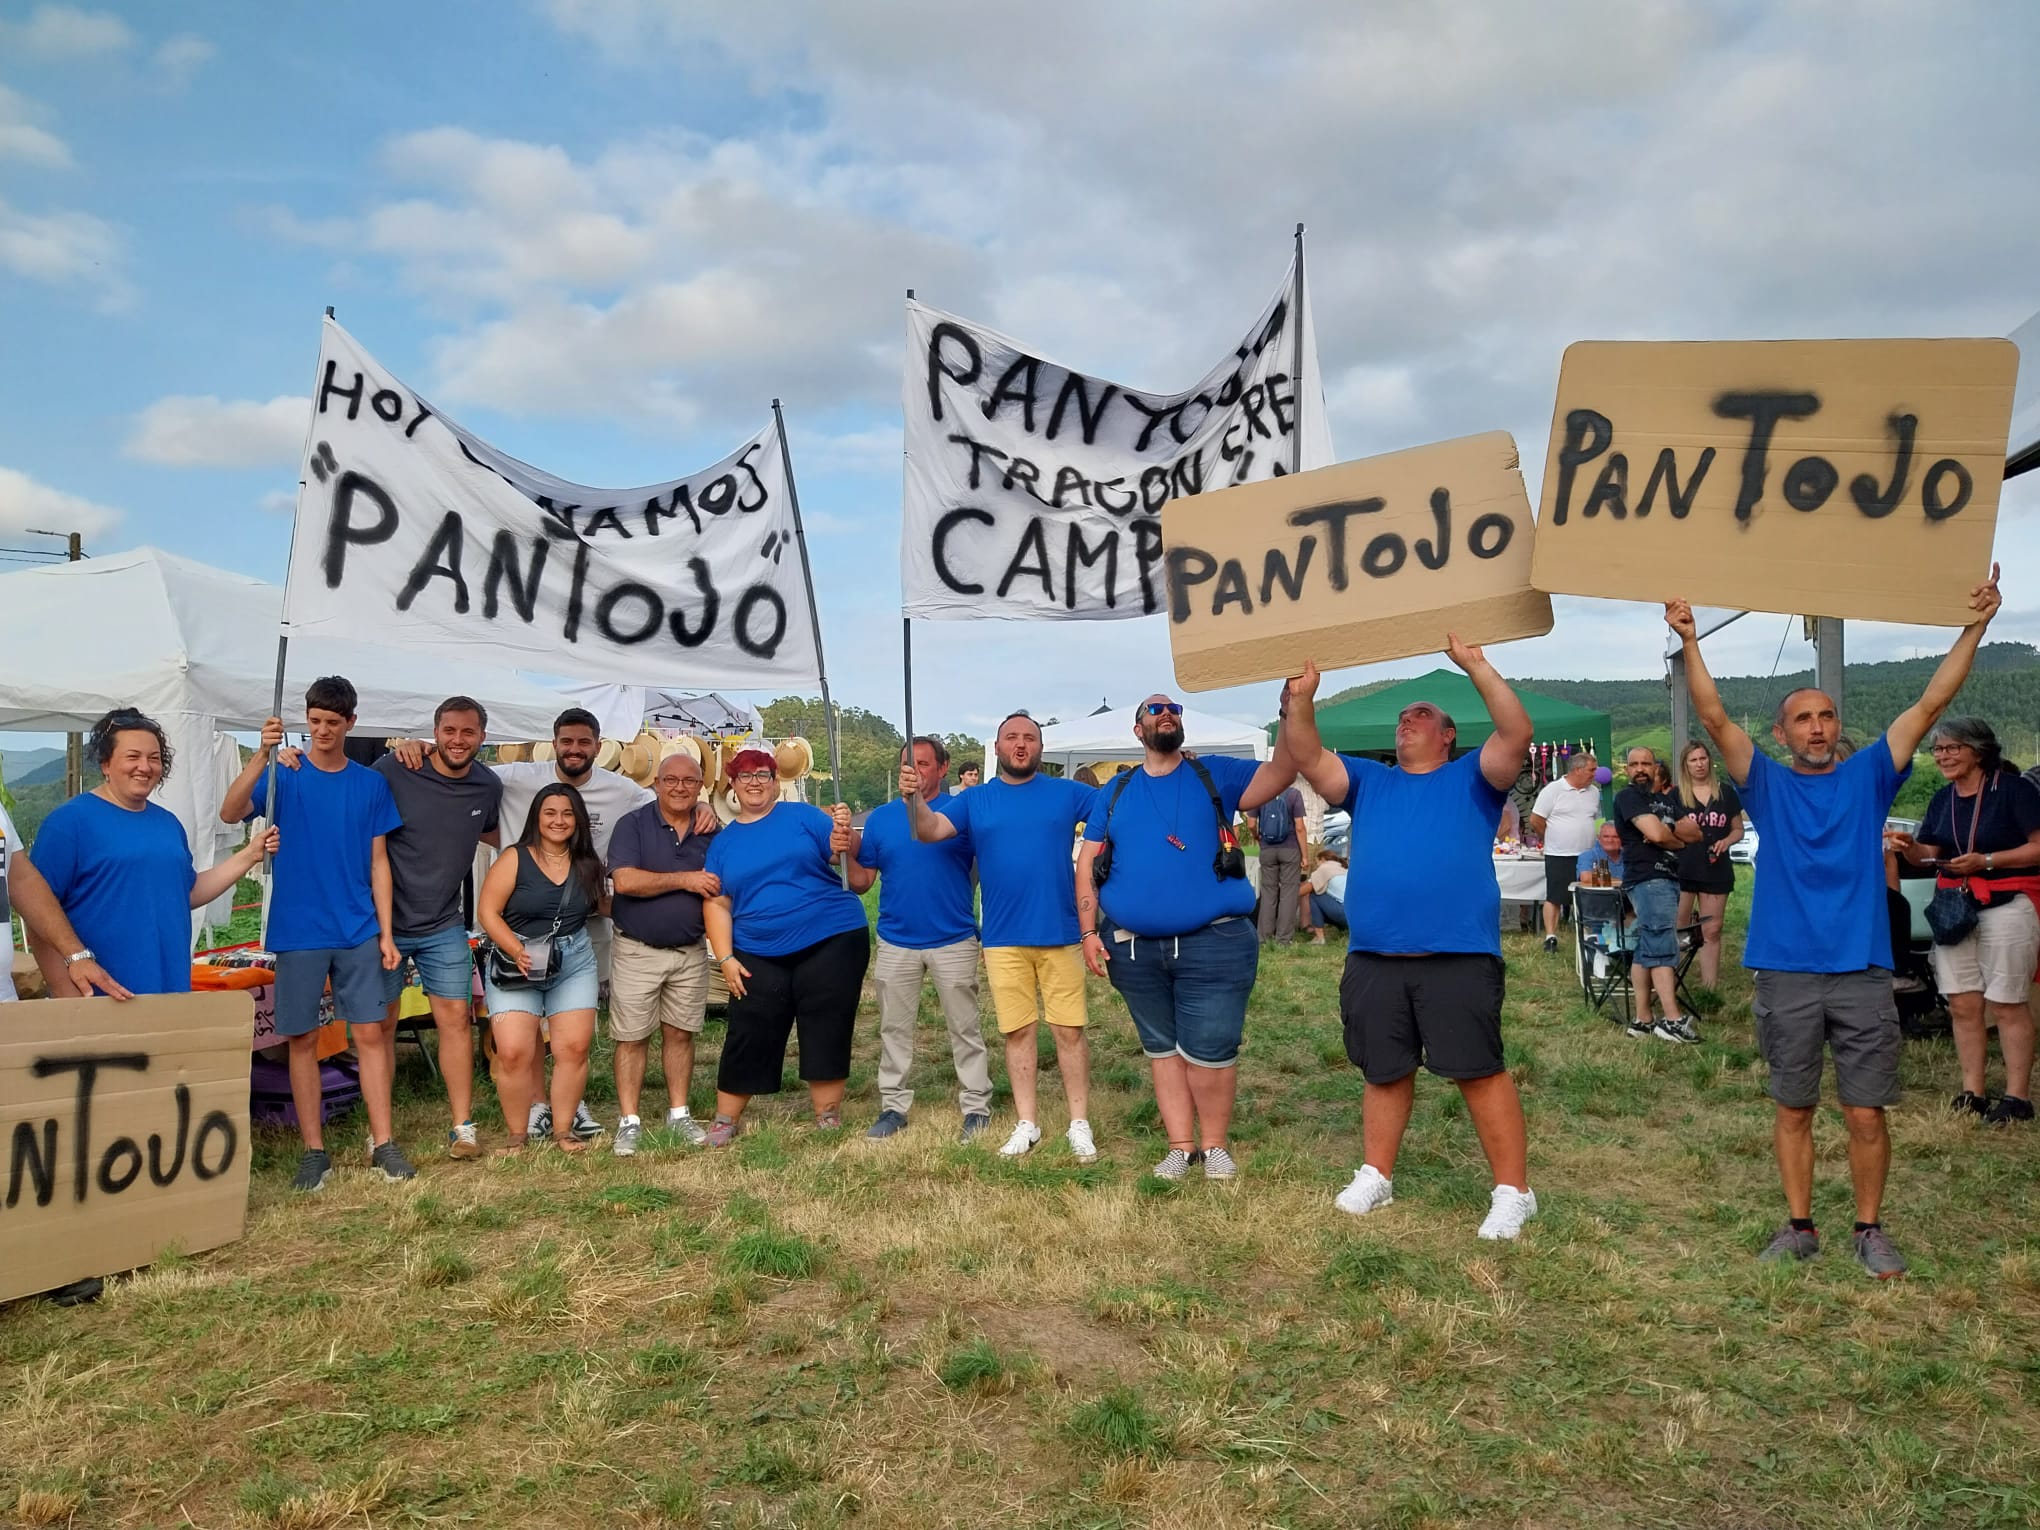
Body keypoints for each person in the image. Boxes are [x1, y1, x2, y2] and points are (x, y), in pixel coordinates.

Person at [1669, 563, 2003, 1278]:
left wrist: (1976, 626)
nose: (1818, 727)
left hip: (1859, 971)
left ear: (1836, 726)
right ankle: (1799, 1226)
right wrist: (1692, 641)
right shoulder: (1765, 783)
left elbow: (1932, 698)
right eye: (1803, 718)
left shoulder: (1871, 775)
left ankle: (1868, 1228)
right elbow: (1716, 718)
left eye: (1826, 716)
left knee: (1865, 1112)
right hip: (1787, 971)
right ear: (1784, 732)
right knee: (1792, 1108)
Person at [1277, 639, 1541, 1241]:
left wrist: (1475, 665)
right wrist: (1302, 699)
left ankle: (1513, 1191)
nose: (1406, 721)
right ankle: (1377, 1173)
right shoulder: (1371, 781)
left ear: (1448, 735)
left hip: (1458, 955)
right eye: (1402, 717)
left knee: (1478, 1070)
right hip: (1375, 955)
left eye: (1420, 715)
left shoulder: (1473, 778)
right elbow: (1308, 755)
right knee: (1383, 1070)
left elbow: (1517, 731)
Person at [387, 707, 710, 1144]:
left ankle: (567, 1108)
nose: (575, 749)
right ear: (554, 742)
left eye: (584, 742)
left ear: (599, 747)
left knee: (571, 1035)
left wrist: (705, 806)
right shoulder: (516, 778)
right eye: (567, 741)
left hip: (582, 925)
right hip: (519, 930)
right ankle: (537, 1109)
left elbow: (670, 799)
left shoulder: (622, 791)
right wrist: (420, 749)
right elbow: (459, 758)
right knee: (523, 1037)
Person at [1076, 696, 1294, 1181]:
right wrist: (1089, 931)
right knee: (1162, 1049)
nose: (1165, 713)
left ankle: (1214, 1147)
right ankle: (1181, 1147)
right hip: (1133, 947)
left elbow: (1282, 771)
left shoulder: (1213, 775)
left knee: (1212, 1051)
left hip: (1214, 942)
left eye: (1172, 708)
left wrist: (1291, 711)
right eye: (1153, 710)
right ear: (1138, 731)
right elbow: (1088, 861)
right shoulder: (1115, 789)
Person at [222, 678, 408, 1193]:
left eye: (332, 722)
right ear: (306, 720)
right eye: (315, 721)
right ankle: (313, 1152)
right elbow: (230, 811)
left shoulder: (370, 784)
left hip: (358, 928)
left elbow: (379, 862)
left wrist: (387, 934)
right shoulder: (287, 774)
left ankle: (384, 1142)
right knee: (302, 1039)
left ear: (350, 723)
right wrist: (262, 755)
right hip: (298, 929)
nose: (322, 731)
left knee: (370, 1034)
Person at [909, 712, 1101, 1161]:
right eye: (1011, 737)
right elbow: (928, 829)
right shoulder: (976, 800)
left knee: (1069, 1031)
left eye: (1029, 738)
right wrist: (915, 797)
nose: (1020, 744)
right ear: (996, 748)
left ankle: (1079, 1122)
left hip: (1061, 932)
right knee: (1018, 1032)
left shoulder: (1068, 793)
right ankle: (1027, 1123)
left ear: (1040, 748)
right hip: (1002, 938)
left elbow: (1115, 814)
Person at [28, 707, 271, 999]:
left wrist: (250, 854)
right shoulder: (68, 824)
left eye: (154, 758)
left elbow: (187, 892)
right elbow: (37, 915)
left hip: (170, 991)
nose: (144, 766)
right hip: (99, 997)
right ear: (105, 763)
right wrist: (63, 991)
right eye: (132, 757)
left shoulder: (168, 824)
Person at [701, 749, 870, 1143]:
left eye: (763, 774)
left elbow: (840, 853)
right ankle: (726, 1118)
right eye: (745, 776)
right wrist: (724, 957)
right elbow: (717, 902)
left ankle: (827, 1113)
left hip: (831, 934)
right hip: (757, 947)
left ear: (777, 782)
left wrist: (843, 834)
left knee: (826, 1021)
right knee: (749, 1026)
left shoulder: (804, 816)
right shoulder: (723, 845)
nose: (755, 782)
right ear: (733, 786)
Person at [367, 697, 501, 1162]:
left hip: (445, 922)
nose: (457, 740)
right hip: (383, 922)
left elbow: (496, 834)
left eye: (468, 732)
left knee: (456, 1021)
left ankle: (463, 1127)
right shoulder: (394, 768)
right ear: (435, 731)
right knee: (379, 1026)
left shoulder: (487, 786)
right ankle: (378, 1131)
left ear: (483, 737)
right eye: (449, 731)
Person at [1890, 716, 2039, 1125]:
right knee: (1962, 1002)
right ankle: (1972, 1090)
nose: (1942, 755)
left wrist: (1987, 861)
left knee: (2007, 1003)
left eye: (1952, 747)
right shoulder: (1942, 799)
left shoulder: (2014, 791)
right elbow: (1928, 855)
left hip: (2008, 902)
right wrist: (1908, 847)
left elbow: (2037, 848)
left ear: (1979, 750)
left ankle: (2017, 1097)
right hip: (1955, 906)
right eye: (1938, 749)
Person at [850, 736, 994, 1144]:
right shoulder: (880, 819)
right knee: (893, 1029)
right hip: (896, 939)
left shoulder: (962, 811)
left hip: (953, 937)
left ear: (944, 768)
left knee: (965, 1028)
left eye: (924, 764)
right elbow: (863, 882)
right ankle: (893, 1106)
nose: (915, 771)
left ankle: (976, 1106)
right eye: (907, 765)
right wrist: (841, 850)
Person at [476, 784, 605, 1151]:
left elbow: (603, 905)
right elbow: (488, 912)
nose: (559, 821)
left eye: (567, 813)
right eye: (550, 813)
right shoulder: (515, 858)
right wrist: (517, 949)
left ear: (578, 820)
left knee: (574, 1048)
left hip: (573, 959)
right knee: (513, 1051)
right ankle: (518, 1135)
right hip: (517, 959)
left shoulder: (589, 864)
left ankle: (563, 1130)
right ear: (537, 816)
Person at [606, 752, 720, 1154]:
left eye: (689, 781)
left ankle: (679, 1113)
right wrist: (685, 879)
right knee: (632, 1037)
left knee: (680, 1033)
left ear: (700, 786)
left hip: (690, 951)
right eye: (671, 780)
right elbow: (626, 881)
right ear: (656, 783)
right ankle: (629, 1121)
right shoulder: (633, 825)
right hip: (639, 949)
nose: (679, 788)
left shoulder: (711, 830)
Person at [1614, 748, 1704, 1043]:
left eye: (1646, 764)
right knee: (1663, 944)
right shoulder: (1628, 798)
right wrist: (1673, 840)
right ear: (1627, 769)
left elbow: (1696, 833)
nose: (1640, 769)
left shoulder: (1665, 800)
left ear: (1656, 768)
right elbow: (1658, 836)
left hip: (1665, 878)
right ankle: (1673, 1021)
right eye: (1634, 764)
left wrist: (1666, 830)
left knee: (1646, 947)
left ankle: (1643, 1020)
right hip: (1648, 879)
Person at [1675, 740, 1744, 990]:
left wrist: (1726, 841)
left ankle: (1709, 988)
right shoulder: (1676, 795)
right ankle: (1672, 981)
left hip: (1716, 868)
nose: (1699, 764)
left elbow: (1738, 829)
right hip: (1683, 868)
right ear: (1686, 765)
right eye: (1693, 760)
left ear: (1710, 761)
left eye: (1702, 758)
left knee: (1712, 930)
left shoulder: (1725, 793)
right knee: (1679, 928)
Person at [1528, 753, 1601, 953]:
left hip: (1587, 854)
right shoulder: (1553, 790)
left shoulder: (1594, 792)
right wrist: (1550, 837)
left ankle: (1589, 935)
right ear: (1577, 770)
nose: (1595, 774)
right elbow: (1536, 819)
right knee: (1555, 896)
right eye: (1591, 770)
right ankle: (1551, 936)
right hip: (1559, 853)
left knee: (1588, 895)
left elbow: (1596, 819)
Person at [1254, 778, 1308, 943]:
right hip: (1290, 849)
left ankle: (1264, 936)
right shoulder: (1294, 794)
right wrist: (1305, 855)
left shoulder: (1260, 794)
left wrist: (1258, 838)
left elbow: (1250, 823)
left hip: (1267, 848)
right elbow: (1299, 827)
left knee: (1268, 891)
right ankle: (1283, 938)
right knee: (1289, 893)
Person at [1307, 852, 1349, 933]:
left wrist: (1285, 894)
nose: (1317, 866)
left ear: (1322, 859)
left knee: (1315, 895)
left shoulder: (1325, 867)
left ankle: (1319, 937)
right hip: (1358, 916)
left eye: (1317, 862)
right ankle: (1343, 929)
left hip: (1345, 915)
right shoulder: (1344, 869)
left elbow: (1308, 888)